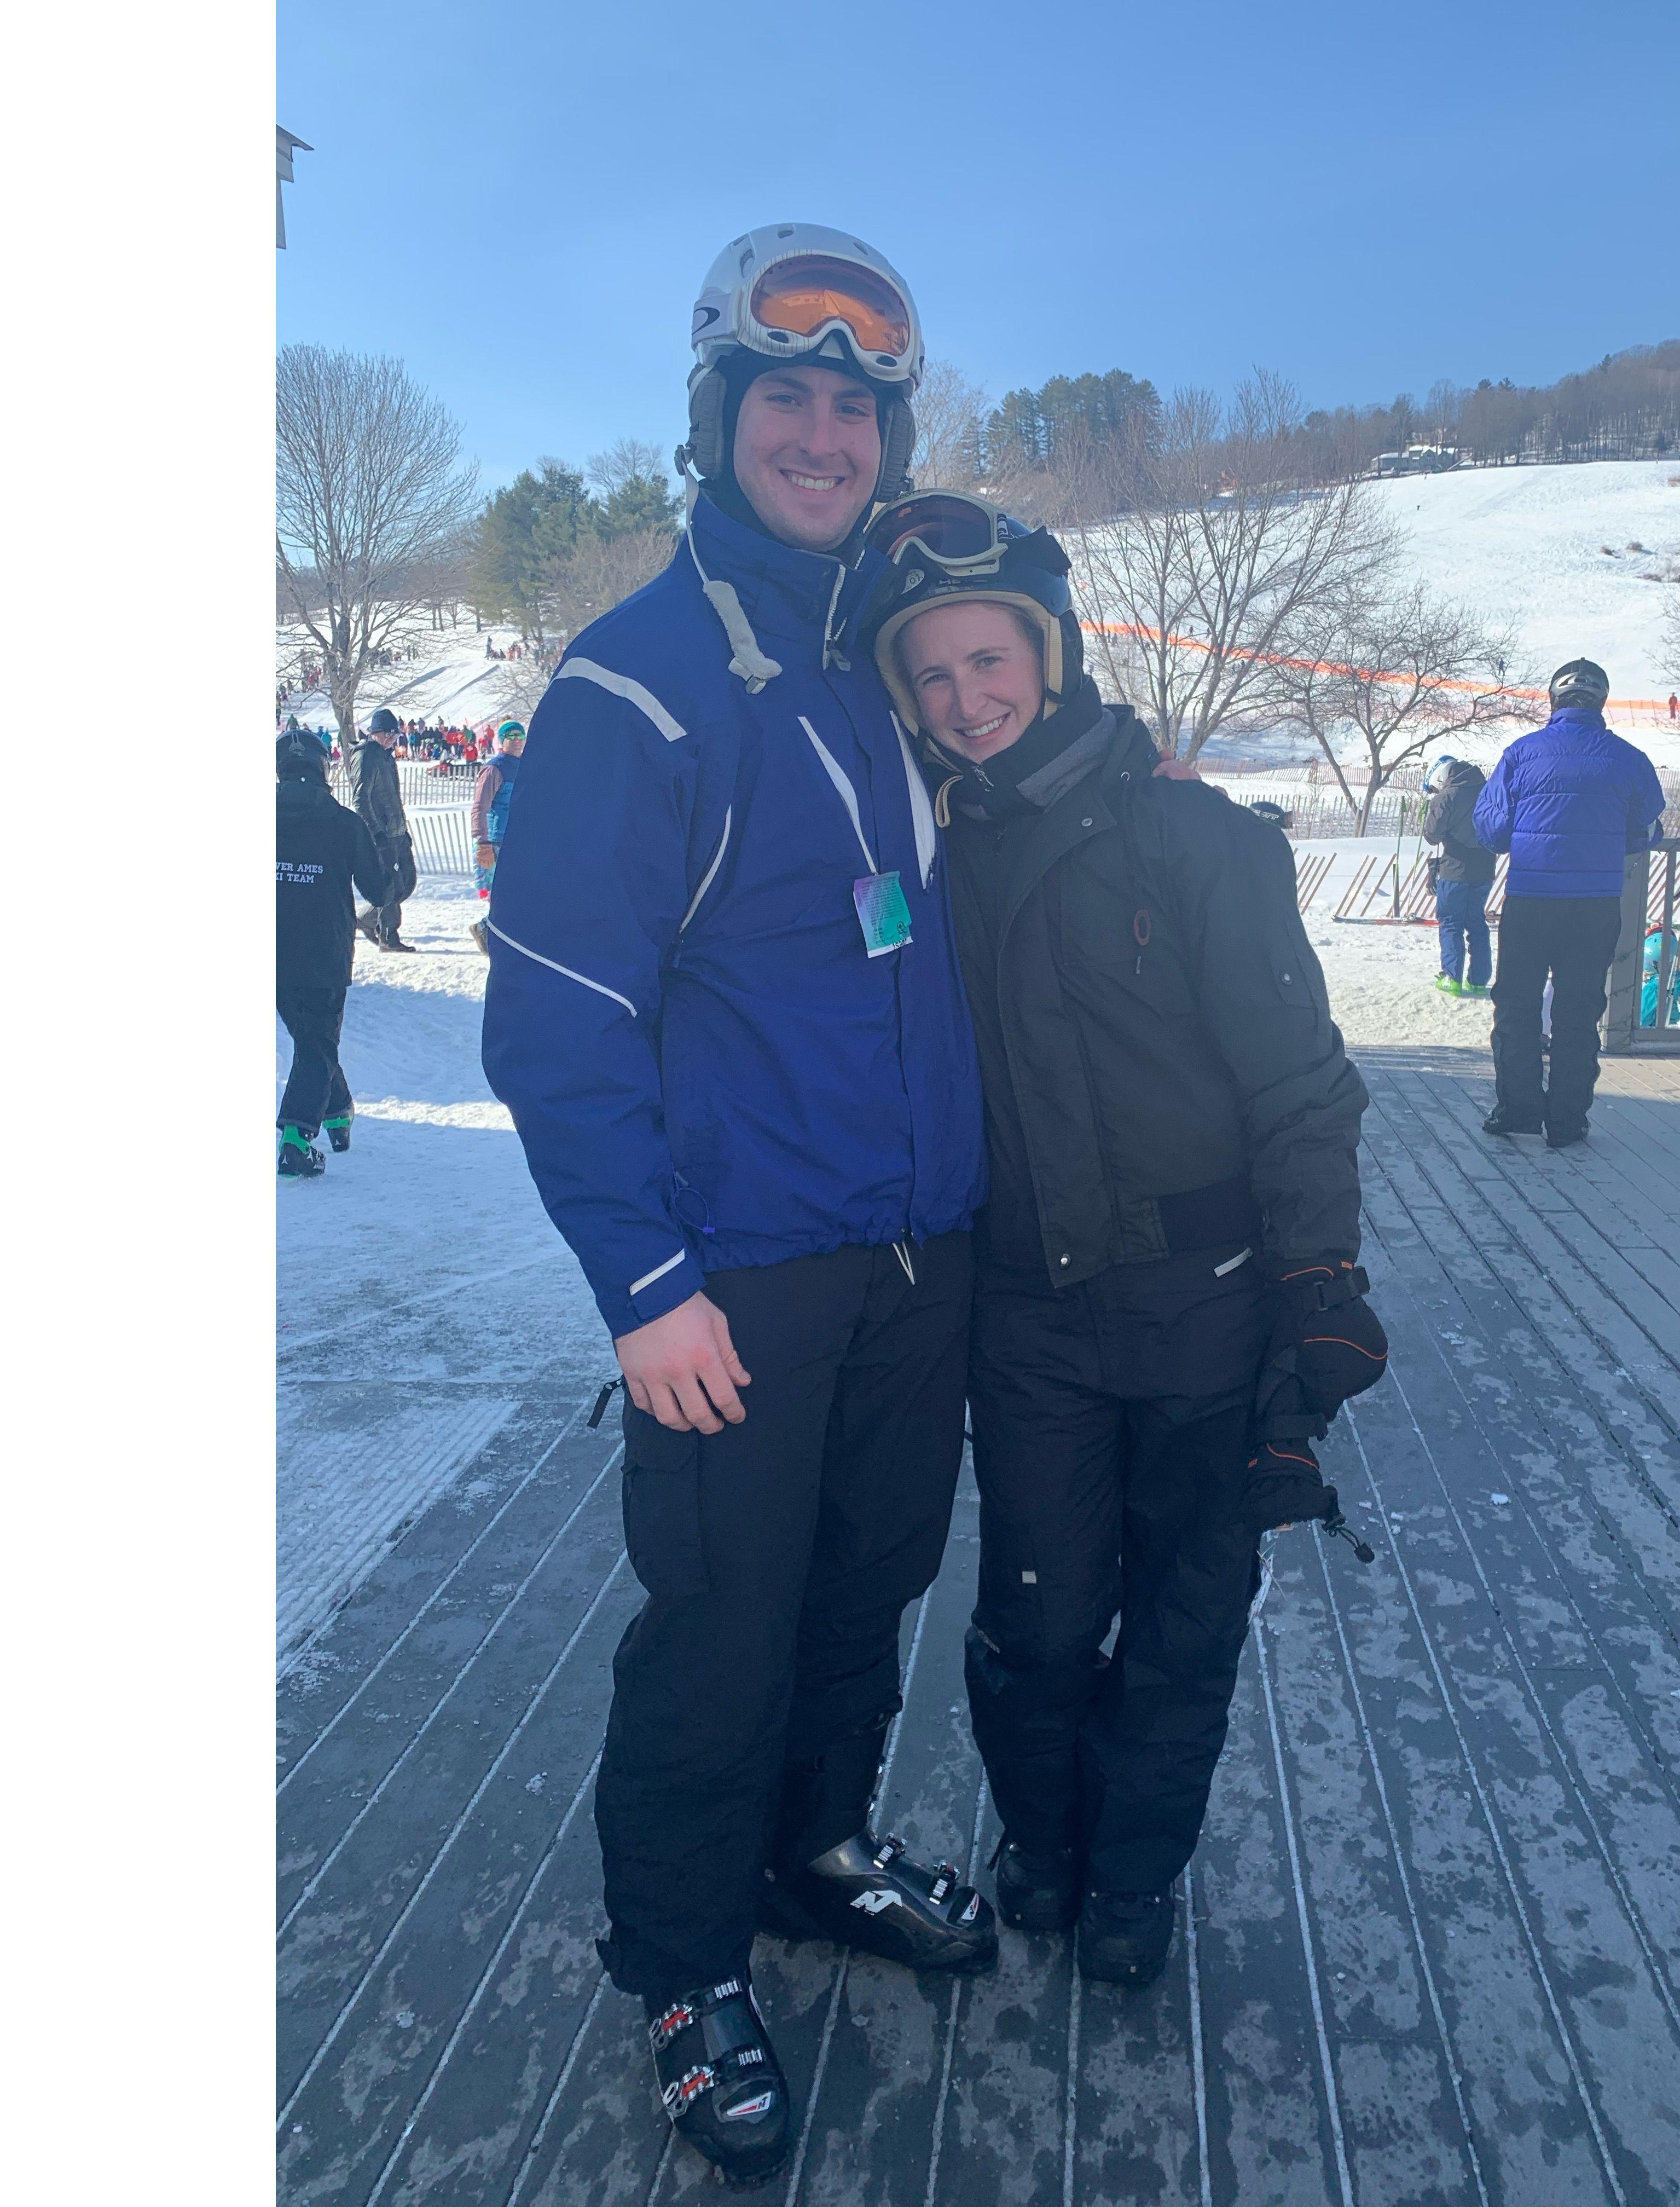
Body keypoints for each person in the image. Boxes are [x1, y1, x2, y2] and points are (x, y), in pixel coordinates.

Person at [480, 225, 990, 2191]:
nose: (822, 428)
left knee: (859, 1599)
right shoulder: (639, 682)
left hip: (906, 1259)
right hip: (736, 1285)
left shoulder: (886, 662)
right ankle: (687, 1965)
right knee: (718, 1630)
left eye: (854, 401)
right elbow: (561, 1017)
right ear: (718, 414)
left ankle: (810, 1847)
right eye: (784, 391)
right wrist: (645, 1283)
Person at [858, 492, 1383, 1991]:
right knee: (1034, 1619)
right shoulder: (923, 854)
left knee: (1183, 1614)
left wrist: (1318, 1280)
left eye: (990, 659)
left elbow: (1298, 1082)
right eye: (933, 676)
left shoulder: (1196, 840)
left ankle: (1136, 1877)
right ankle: (1045, 1838)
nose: (967, 701)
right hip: (1027, 1317)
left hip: (1205, 1308)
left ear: (1053, 649)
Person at [1473, 658, 1665, 1149]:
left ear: (1553, 701)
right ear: (1601, 702)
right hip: (1596, 903)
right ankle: (1568, 1121)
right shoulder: (1628, 759)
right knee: (1579, 1013)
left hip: (1531, 901)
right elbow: (1644, 829)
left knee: (1516, 1009)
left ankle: (1517, 1109)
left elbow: (1493, 831)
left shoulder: (1521, 753)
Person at [275, 727, 390, 1176]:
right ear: (324, 768)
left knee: (311, 1042)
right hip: (324, 951)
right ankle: (296, 1135)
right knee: (318, 1042)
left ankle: (338, 1111)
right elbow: (378, 890)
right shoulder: (345, 823)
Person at [1420, 754, 1494, 997]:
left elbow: (1432, 836)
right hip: (1484, 868)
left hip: (1455, 869)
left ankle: (1452, 977)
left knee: (1451, 923)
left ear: (1440, 778)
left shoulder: (1446, 798)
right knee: (1477, 922)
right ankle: (1479, 980)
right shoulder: (1489, 789)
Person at [350, 708, 418, 951]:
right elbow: (360, 800)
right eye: (387, 734)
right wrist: (376, 833)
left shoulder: (387, 757)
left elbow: (393, 798)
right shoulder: (366, 756)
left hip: (397, 832)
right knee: (390, 884)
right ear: (375, 733)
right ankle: (388, 937)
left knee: (407, 883)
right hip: (381, 835)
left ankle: (366, 918)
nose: (392, 739)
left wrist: (403, 829)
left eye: (395, 735)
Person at [466, 718, 526, 954]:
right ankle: (487, 930)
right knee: (503, 896)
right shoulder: (495, 769)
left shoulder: (524, 765)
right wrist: (482, 842)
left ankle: (501, 936)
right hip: (495, 841)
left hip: (517, 841)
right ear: (501, 741)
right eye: (511, 737)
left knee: (519, 892)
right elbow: (479, 807)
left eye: (520, 736)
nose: (517, 741)